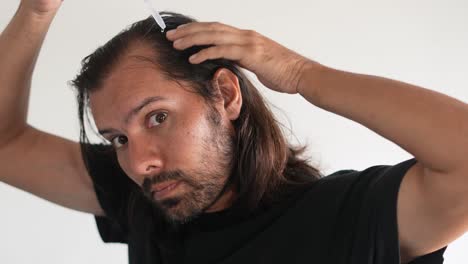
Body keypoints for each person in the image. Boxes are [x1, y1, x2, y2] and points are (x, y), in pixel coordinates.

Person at [1, 1, 467, 263]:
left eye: (157, 117)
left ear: (224, 95)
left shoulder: (346, 220)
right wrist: (37, 12)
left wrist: (303, 74)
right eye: (117, 138)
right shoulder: (146, 200)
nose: (139, 160)